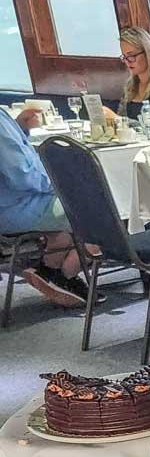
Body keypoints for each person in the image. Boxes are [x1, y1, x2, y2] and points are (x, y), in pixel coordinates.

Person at [0, 106, 88, 307]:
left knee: (78, 203)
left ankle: (51, 267)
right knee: (98, 208)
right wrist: (59, 183)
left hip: (14, 202)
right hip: (16, 206)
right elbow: (22, 175)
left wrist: (20, 128)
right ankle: (62, 274)